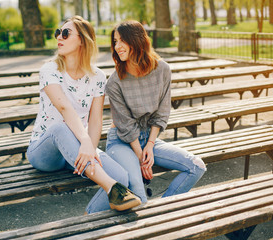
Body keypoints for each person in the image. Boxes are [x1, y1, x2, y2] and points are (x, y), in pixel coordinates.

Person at [26, 16, 141, 214]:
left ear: (82, 39)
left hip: (77, 148)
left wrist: (91, 148)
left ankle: (89, 222)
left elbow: (96, 119)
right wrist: (86, 142)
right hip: (44, 152)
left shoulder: (97, 76)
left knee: (121, 176)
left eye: (65, 33)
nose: (59, 38)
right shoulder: (49, 70)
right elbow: (65, 109)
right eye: (58, 33)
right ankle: (112, 187)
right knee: (60, 128)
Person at [105, 20, 206, 204]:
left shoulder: (163, 70)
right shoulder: (114, 82)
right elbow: (126, 126)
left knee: (196, 166)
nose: (117, 46)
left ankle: (161, 211)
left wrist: (150, 145)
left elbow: (162, 113)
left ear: (136, 40)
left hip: (148, 139)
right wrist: (141, 157)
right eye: (115, 41)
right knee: (137, 189)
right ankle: (151, 222)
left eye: (121, 41)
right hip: (122, 141)